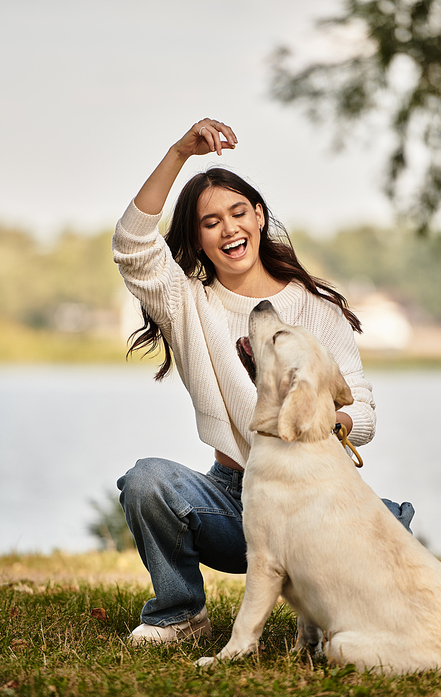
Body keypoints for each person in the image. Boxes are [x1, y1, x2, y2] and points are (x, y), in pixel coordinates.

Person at [112, 118, 414, 644]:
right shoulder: (188, 302)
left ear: (258, 217)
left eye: (237, 213)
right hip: (234, 501)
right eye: (210, 222)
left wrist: (332, 419)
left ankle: (335, 616)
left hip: (316, 497)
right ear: (198, 238)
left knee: (387, 522)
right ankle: (180, 615)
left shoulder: (315, 309)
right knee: (147, 481)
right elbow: (132, 243)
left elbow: (362, 408)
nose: (228, 229)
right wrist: (180, 151)